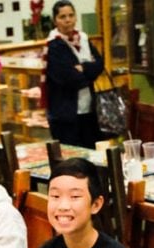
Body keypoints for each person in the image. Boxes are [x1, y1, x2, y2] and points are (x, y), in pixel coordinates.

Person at [44, 0, 104, 148]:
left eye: (71, 15)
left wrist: (82, 68)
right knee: (71, 160)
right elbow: (69, 78)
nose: (68, 20)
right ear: (55, 20)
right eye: (62, 16)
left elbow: (100, 64)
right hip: (65, 114)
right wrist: (89, 71)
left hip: (88, 110)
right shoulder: (53, 45)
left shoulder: (83, 39)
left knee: (90, 158)